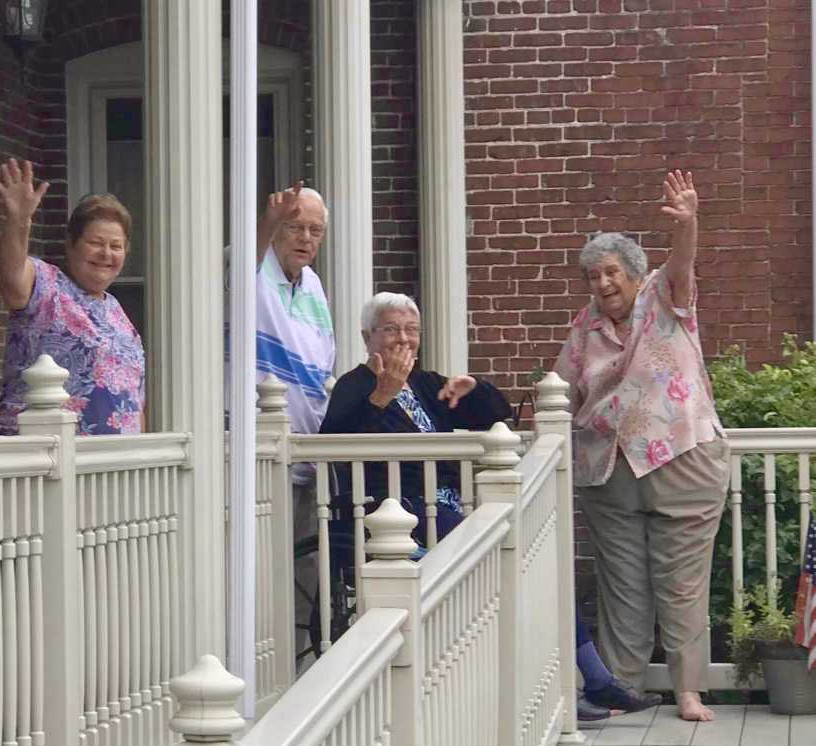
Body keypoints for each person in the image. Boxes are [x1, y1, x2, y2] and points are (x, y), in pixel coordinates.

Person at [554, 170, 729, 722]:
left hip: (681, 455)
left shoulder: (663, 296)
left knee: (681, 581)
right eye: (592, 275)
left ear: (633, 275)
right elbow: (558, 390)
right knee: (622, 583)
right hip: (608, 468)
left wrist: (687, 224)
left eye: (610, 273)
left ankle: (688, 690)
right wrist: (481, 395)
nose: (601, 283)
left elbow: (682, 264)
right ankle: (622, 686)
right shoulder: (585, 326)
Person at [320, 292, 510, 545]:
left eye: (412, 330)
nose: (403, 339)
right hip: (397, 508)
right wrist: (381, 396)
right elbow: (334, 443)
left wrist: (474, 390)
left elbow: (498, 414)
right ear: (368, 337)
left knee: (500, 532)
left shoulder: (425, 383)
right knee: (479, 543)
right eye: (391, 329)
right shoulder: (353, 384)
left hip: (449, 503)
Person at [0, 159, 144, 435]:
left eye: (115, 246)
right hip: (43, 461)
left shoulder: (118, 314)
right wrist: (19, 221)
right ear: (70, 244)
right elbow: (12, 281)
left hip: (114, 467)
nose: (106, 254)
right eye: (95, 243)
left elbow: (135, 400)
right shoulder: (47, 285)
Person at [254, 181, 335, 529]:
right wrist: (268, 220)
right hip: (259, 457)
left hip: (307, 459)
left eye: (315, 230)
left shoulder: (314, 285)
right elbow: (239, 270)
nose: (305, 238)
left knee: (302, 571)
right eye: (294, 226)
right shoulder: (253, 268)